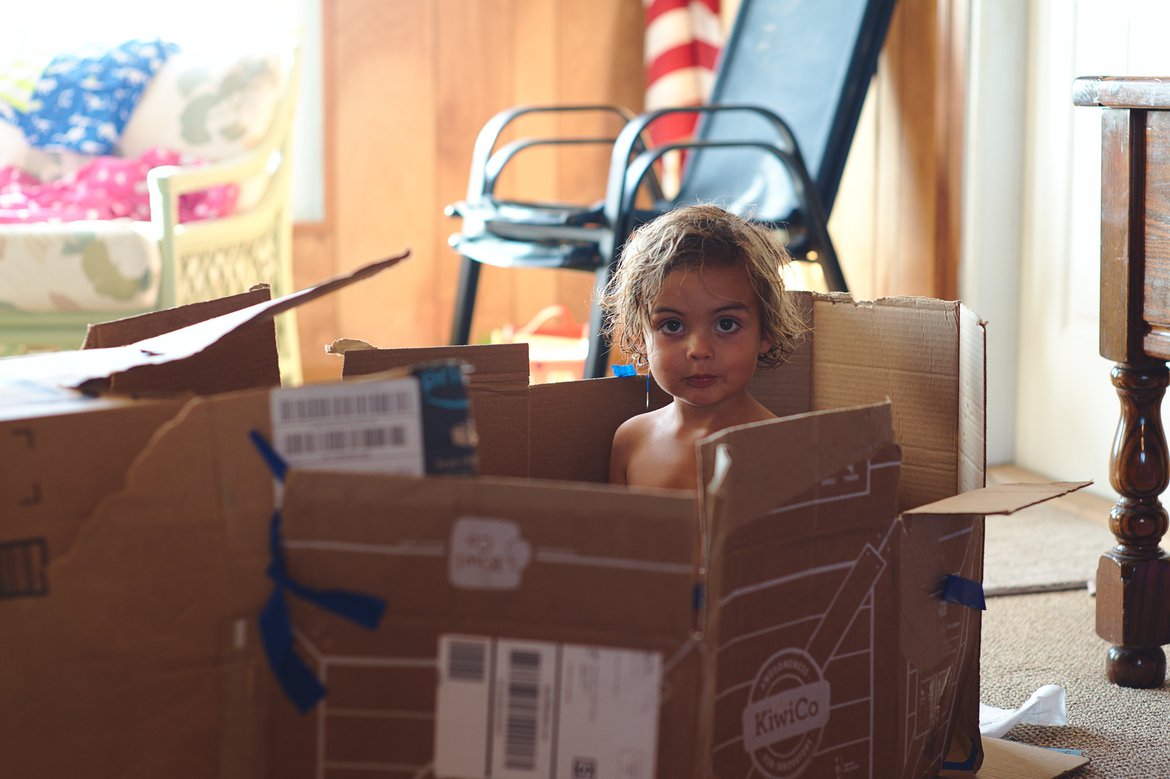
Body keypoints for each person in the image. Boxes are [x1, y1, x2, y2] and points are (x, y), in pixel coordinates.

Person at [600, 203, 807, 490]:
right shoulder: (631, 440)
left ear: (765, 333)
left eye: (726, 324)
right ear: (639, 337)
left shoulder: (782, 448)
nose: (698, 349)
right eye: (672, 326)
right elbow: (618, 532)